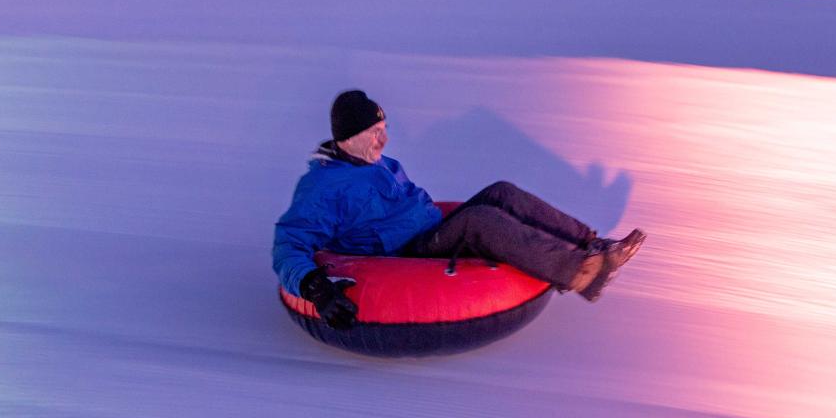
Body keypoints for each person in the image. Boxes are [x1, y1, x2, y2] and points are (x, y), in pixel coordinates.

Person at [273, 89, 646, 329]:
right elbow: (288, 244)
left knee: (501, 191)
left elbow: (414, 196)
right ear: (347, 138)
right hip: (402, 252)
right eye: (374, 132)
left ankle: (592, 245)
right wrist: (316, 288)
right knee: (478, 222)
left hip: (427, 227)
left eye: (384, 127)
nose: (383, 138)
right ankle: (582, 273)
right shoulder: (321, 187)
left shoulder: (381, 163)